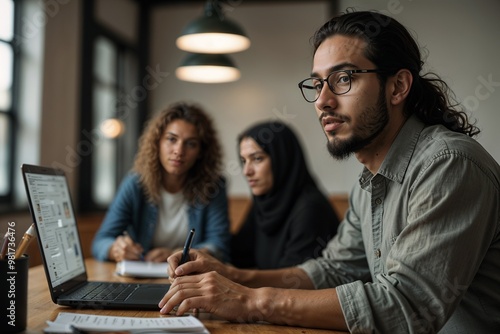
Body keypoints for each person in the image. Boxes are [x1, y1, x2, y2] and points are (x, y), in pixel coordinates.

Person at [158, 10, 500, 333]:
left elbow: (406, 307)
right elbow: (334, 270)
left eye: (344, 78)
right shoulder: (368, 182)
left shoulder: (449, 164)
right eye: (317, 83)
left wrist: (249, 300)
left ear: (397, 87)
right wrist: (234, 275)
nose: (322, 100)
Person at [92, 102, 231, 263]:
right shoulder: (135, 184)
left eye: (191, 143)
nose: (179, 151)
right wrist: (115, 249)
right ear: (157, 142)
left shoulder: (213, 186)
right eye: (172, 139)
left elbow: (219, 246)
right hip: (141, 276)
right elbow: (100, 241)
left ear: (201, 152)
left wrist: (179, 254)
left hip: (190, 278)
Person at [231, 120, 339, 269]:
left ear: (282, 158)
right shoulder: (264, 202)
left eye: (257, 159)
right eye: (244, 161)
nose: (246, 171)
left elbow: (289, 284)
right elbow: (238, 256)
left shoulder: (311, 209)